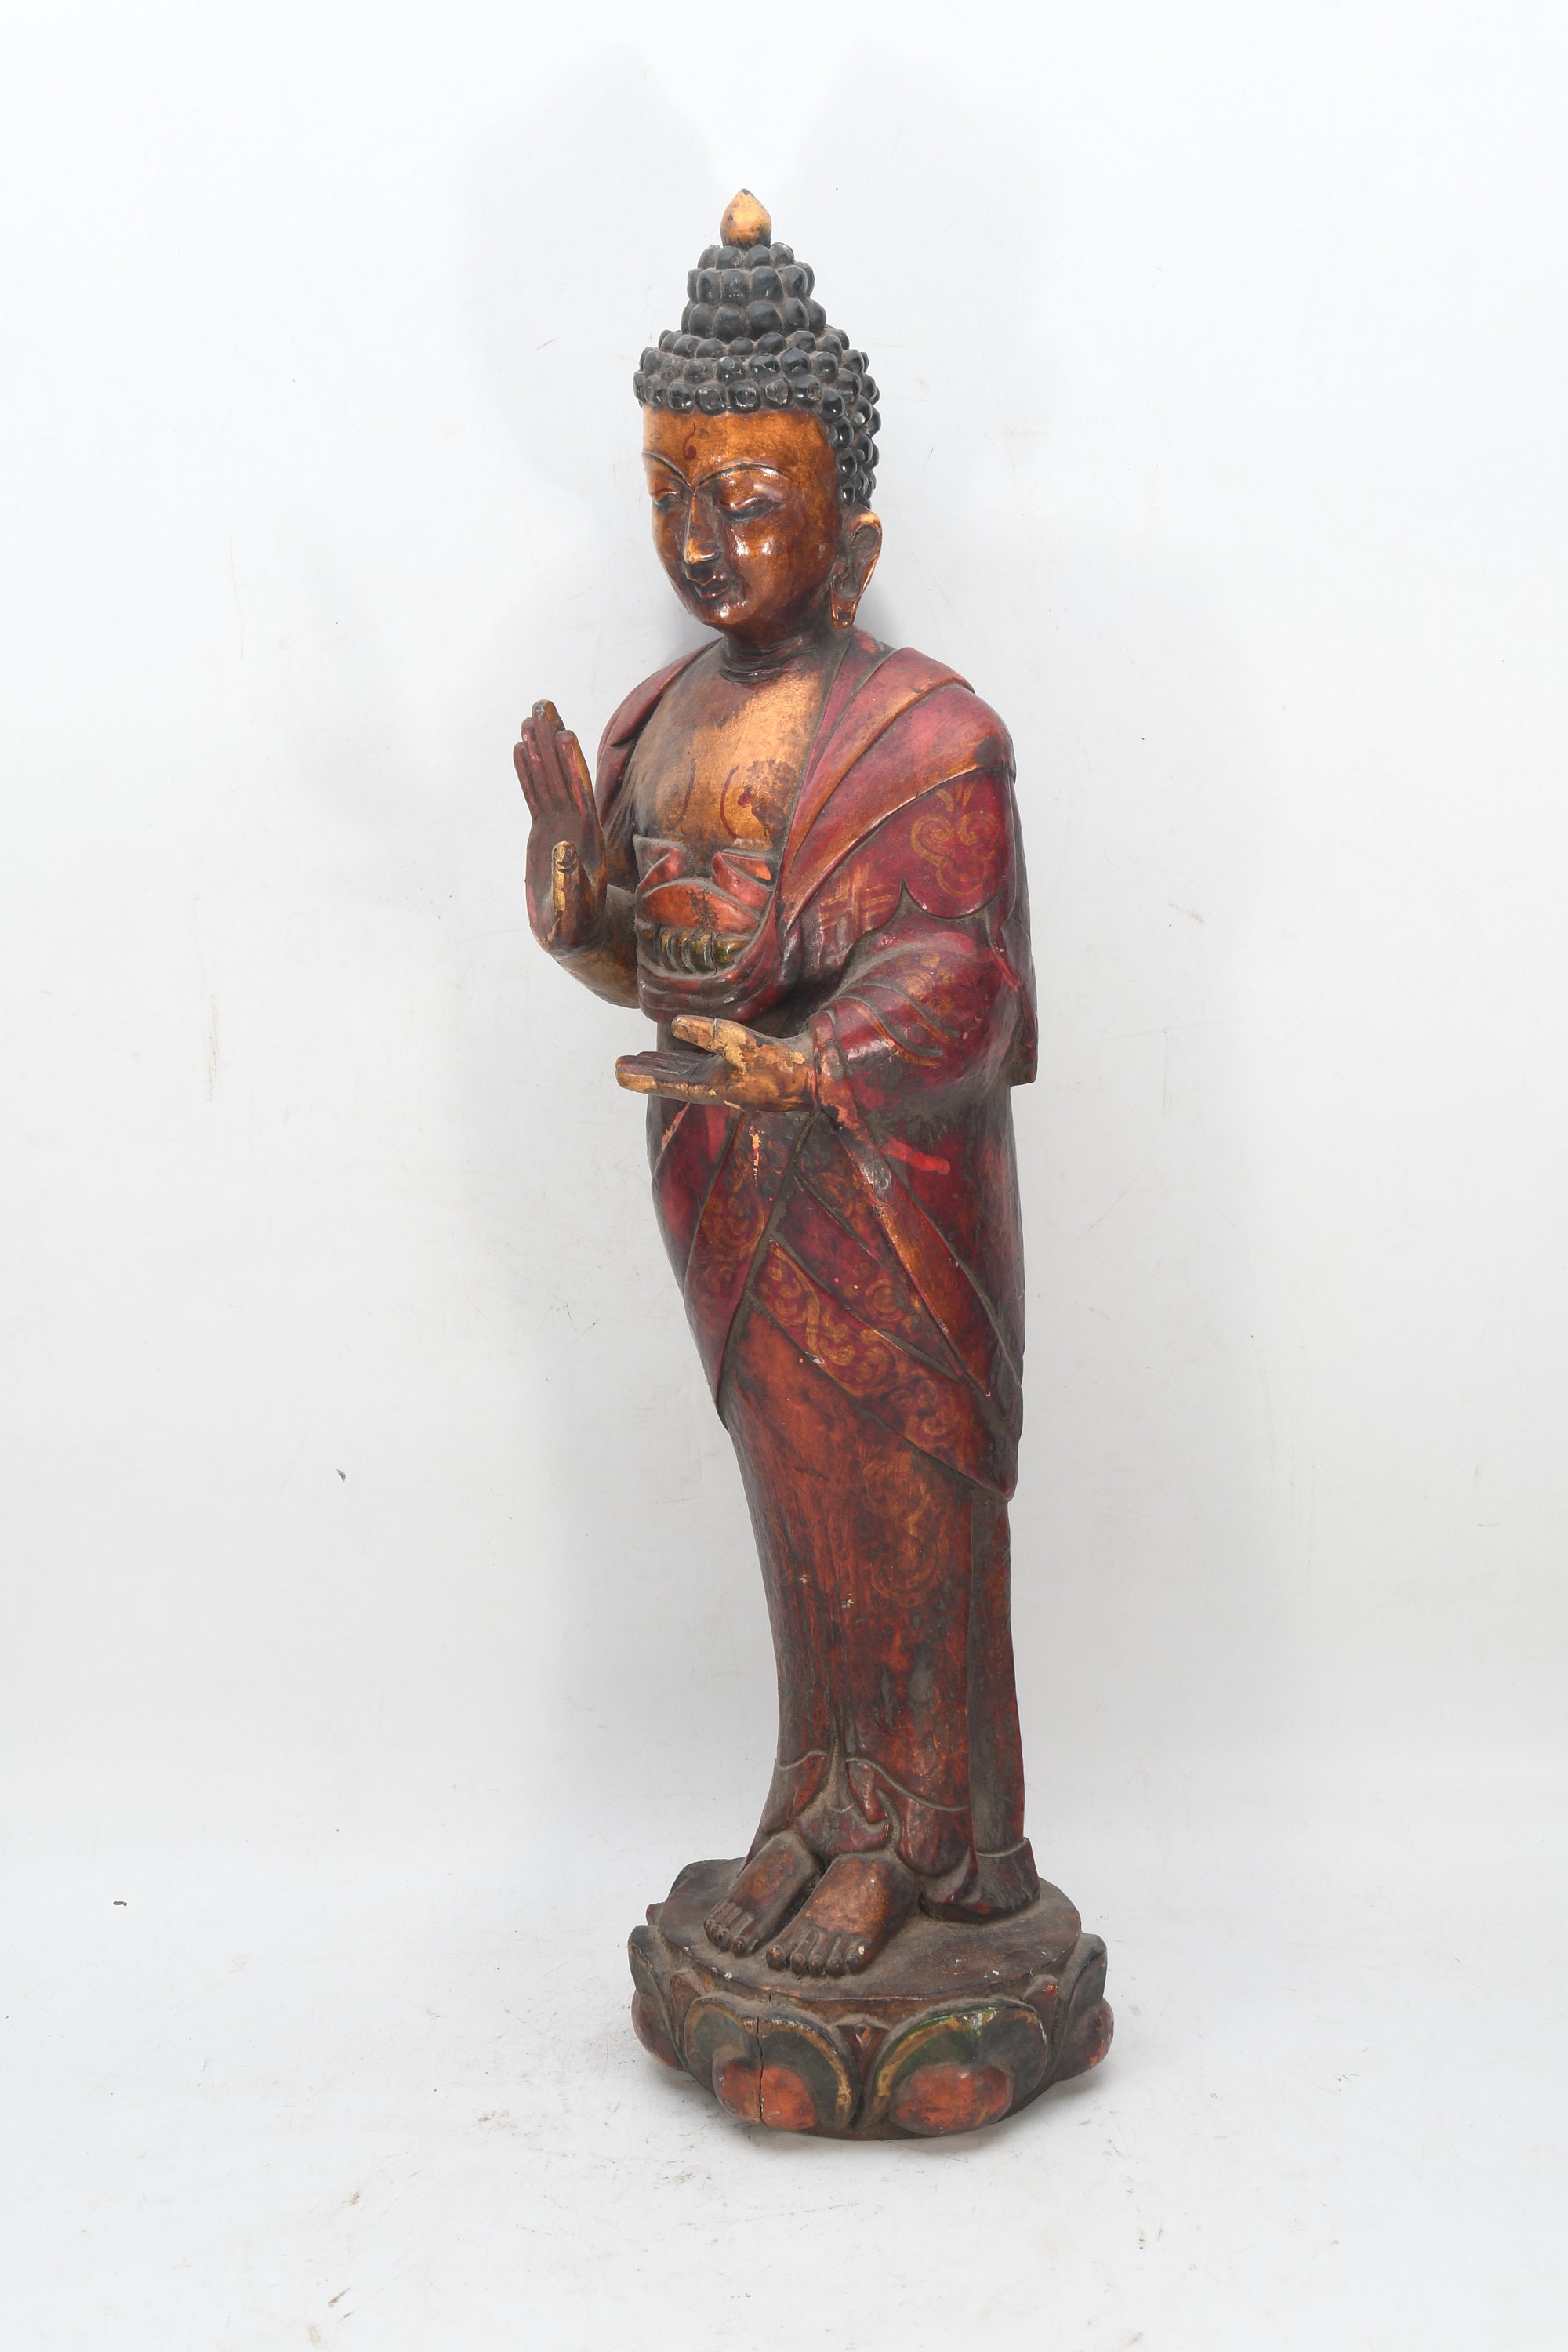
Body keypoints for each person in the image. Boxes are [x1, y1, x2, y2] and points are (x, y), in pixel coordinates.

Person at [514, 194, 1040, 1980]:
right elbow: (656, 969)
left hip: (885, 1207)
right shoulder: (653, 717)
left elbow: (962, 981)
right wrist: (576, 906)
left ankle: (922, 1843)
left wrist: (810, 1066)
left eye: (748, 498)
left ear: (855, 530)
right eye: (672, 494)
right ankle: (815, 1803)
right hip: (727, 1191)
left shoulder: (930, 736)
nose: (702, 541)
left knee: (903, 1514)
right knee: (796, 1510)